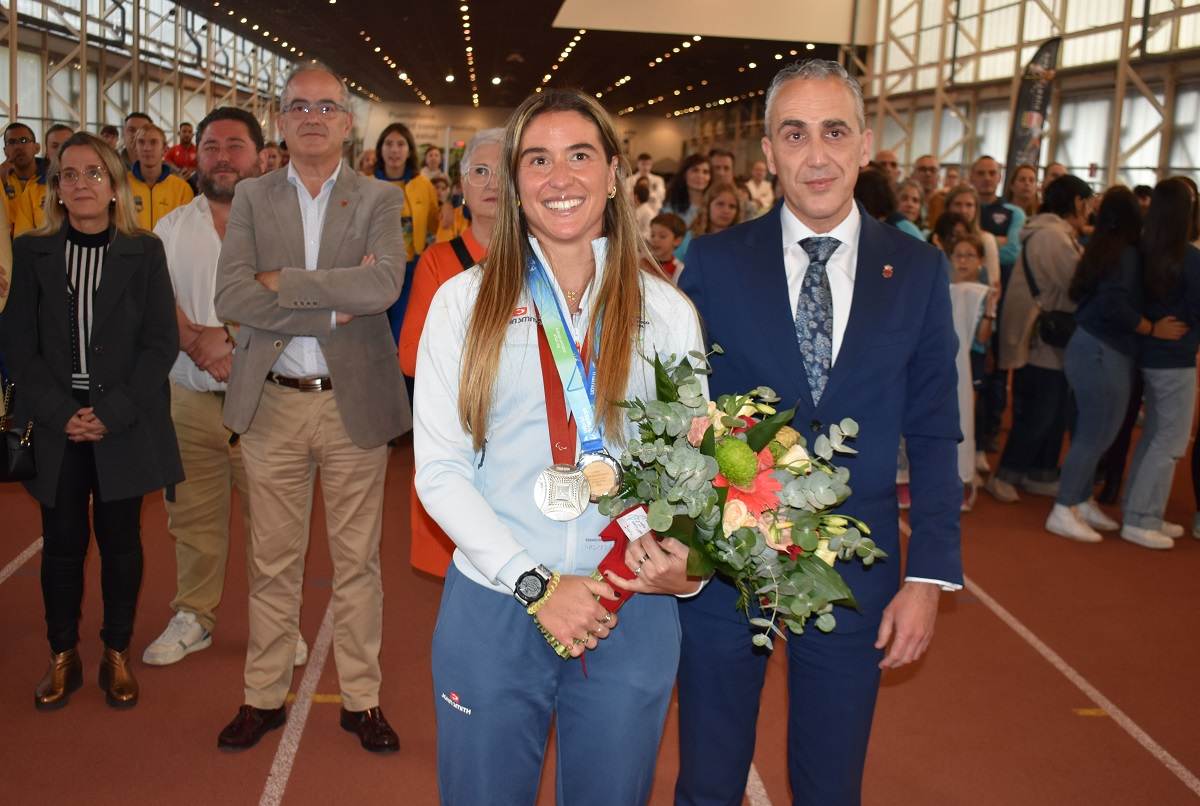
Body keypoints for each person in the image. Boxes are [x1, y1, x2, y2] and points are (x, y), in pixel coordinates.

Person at [676, 59, 961, 806]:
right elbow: (679, 411)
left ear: (865, 143)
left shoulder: (921, 271)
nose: (817, 154)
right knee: (707, 779)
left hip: (854, 569)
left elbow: (935, 430)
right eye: (794, 134)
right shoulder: (713, 261)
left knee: (831, 785)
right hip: (728, 565)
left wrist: (928, 577)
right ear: (767, 153)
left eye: (834, 131)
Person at [413, 86, 703, 806]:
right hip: (496, 602)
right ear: (514, 183)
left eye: (580, 155)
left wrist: (688, 571)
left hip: (627, 603)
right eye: (537, 160)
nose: (559, 178)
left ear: (613, 173)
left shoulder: (665, 310)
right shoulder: (463, 303)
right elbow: (441, 470)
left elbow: (695, 473)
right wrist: (536, 586)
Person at [212, 62, 410, 753]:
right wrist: (332, 307)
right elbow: (232, 296)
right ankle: (262, 696)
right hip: (272, 408)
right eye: (299, 106)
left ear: (347, 122)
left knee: (358, 565)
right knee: (271, 564)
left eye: (327, 106)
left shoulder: (380, 200)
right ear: (281, 118)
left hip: (352, 408)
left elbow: (383, 284)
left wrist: (288, 286)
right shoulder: (252, 197)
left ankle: (363, 701)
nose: (312, 118)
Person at [1, 131, 183, 710]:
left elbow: (161, 343)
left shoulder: (144, 250)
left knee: (121, 543)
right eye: (69, 175)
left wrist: (109, 413)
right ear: (56, 189)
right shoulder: (32, 250)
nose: (80, 184)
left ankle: (115, 653)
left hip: (121, 422)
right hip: (56, 425)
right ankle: (62, 655)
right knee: (60, 544)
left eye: (93, 173)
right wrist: (64, 413)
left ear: (113, 186)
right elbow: (17, 342)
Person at [140, 107, 309, 668]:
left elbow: (293, 303)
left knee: (274, 522)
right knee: (191, 518)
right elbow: (157, 302)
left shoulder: (285, 227)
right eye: (211, 145)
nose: (221, 156)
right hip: (188, 398)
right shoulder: (170, 228)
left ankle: (277, 625)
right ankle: (194, 616)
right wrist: (196, 343)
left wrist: (231, 345)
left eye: (235, 145)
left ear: (261, 155)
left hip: (265, 400)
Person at [1047, 186, 1182, 543]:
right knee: (1095, 434)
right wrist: (1152, 328)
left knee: (1098, 433)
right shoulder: (1125, 255)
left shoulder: (1107, 248)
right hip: (1102, 351)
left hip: (1097, 348)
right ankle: (1063, 507)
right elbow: (1114, 304)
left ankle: (1078, 498)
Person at [399, 127, 502, 578]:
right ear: (462, 185)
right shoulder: (438, 261)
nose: (491, 183)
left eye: (503, 172)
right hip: (463, 435)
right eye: (479, 171)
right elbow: (410, 357)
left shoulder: (550, 258)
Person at [989, 175, 1094, 503]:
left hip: (1045, 338)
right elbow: (1077, 282)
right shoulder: (1052, 236)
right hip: (1041, 339)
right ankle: (1006, 472)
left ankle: (1040, 471)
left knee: (1052, 409)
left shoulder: (1054, 233)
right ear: (1077, 201)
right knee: (1040, 411)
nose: (1090, 209)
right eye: (1087, 202)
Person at [1120, 178, 1200, 549]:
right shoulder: (1189, 258)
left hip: (1152, 353)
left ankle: (1139, 508)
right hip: (1175, 358)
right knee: (1169, 440)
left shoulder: (1142, 250)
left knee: (1156, 435)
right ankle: (1141, 516)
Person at [373, 122, 440, 346]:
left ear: (409, 150)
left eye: (400, 144)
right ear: (380, 149)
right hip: (377, 268)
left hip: (412, 268)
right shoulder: (367, 184)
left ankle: (401, 379)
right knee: (377, 330)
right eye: (389, 144)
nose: (394, 150)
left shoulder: (424, 184)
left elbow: (434, 224)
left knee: (403, 331)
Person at [947, 233, 994, 510]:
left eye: (970, 255)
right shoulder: (944, 290)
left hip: (972, 364)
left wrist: (988, 312)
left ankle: (966, 475)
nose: (963, 261)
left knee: (967, 419)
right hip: (947, 365)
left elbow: (984, 338)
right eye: (958, 255)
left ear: (981, 261)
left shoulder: (984, 294)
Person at [127, 124, 195, 230]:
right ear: (135, 148)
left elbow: (187, 231)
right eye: (141, 142)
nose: (147, 148)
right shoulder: (121, 185)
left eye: (153, 142)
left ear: (164, 149)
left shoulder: (182, 190)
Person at [11, 125, 74, 236]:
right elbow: (22, 239)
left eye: (67, 145)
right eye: (55, 146)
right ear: (47, 152)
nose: (61, 150)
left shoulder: (92, 186)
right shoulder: (32, 190)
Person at [661, 153, 710, 259]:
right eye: (695, 170)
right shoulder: (671, 208)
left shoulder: (714, 208)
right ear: (684, 174)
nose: (700, 176)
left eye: (705, 172)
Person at [2, 123, 49, 223]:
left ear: (36, 148)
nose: (18, 147)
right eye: (11, 142)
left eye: (24, 140)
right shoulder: (2, 181)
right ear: (5, 151)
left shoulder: (53, 179)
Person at [649, 211, 686, 279]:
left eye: (662, 236)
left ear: (677, 241)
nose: (655, 240)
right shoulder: (642, 262)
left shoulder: (679, 269)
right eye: (652, 235)